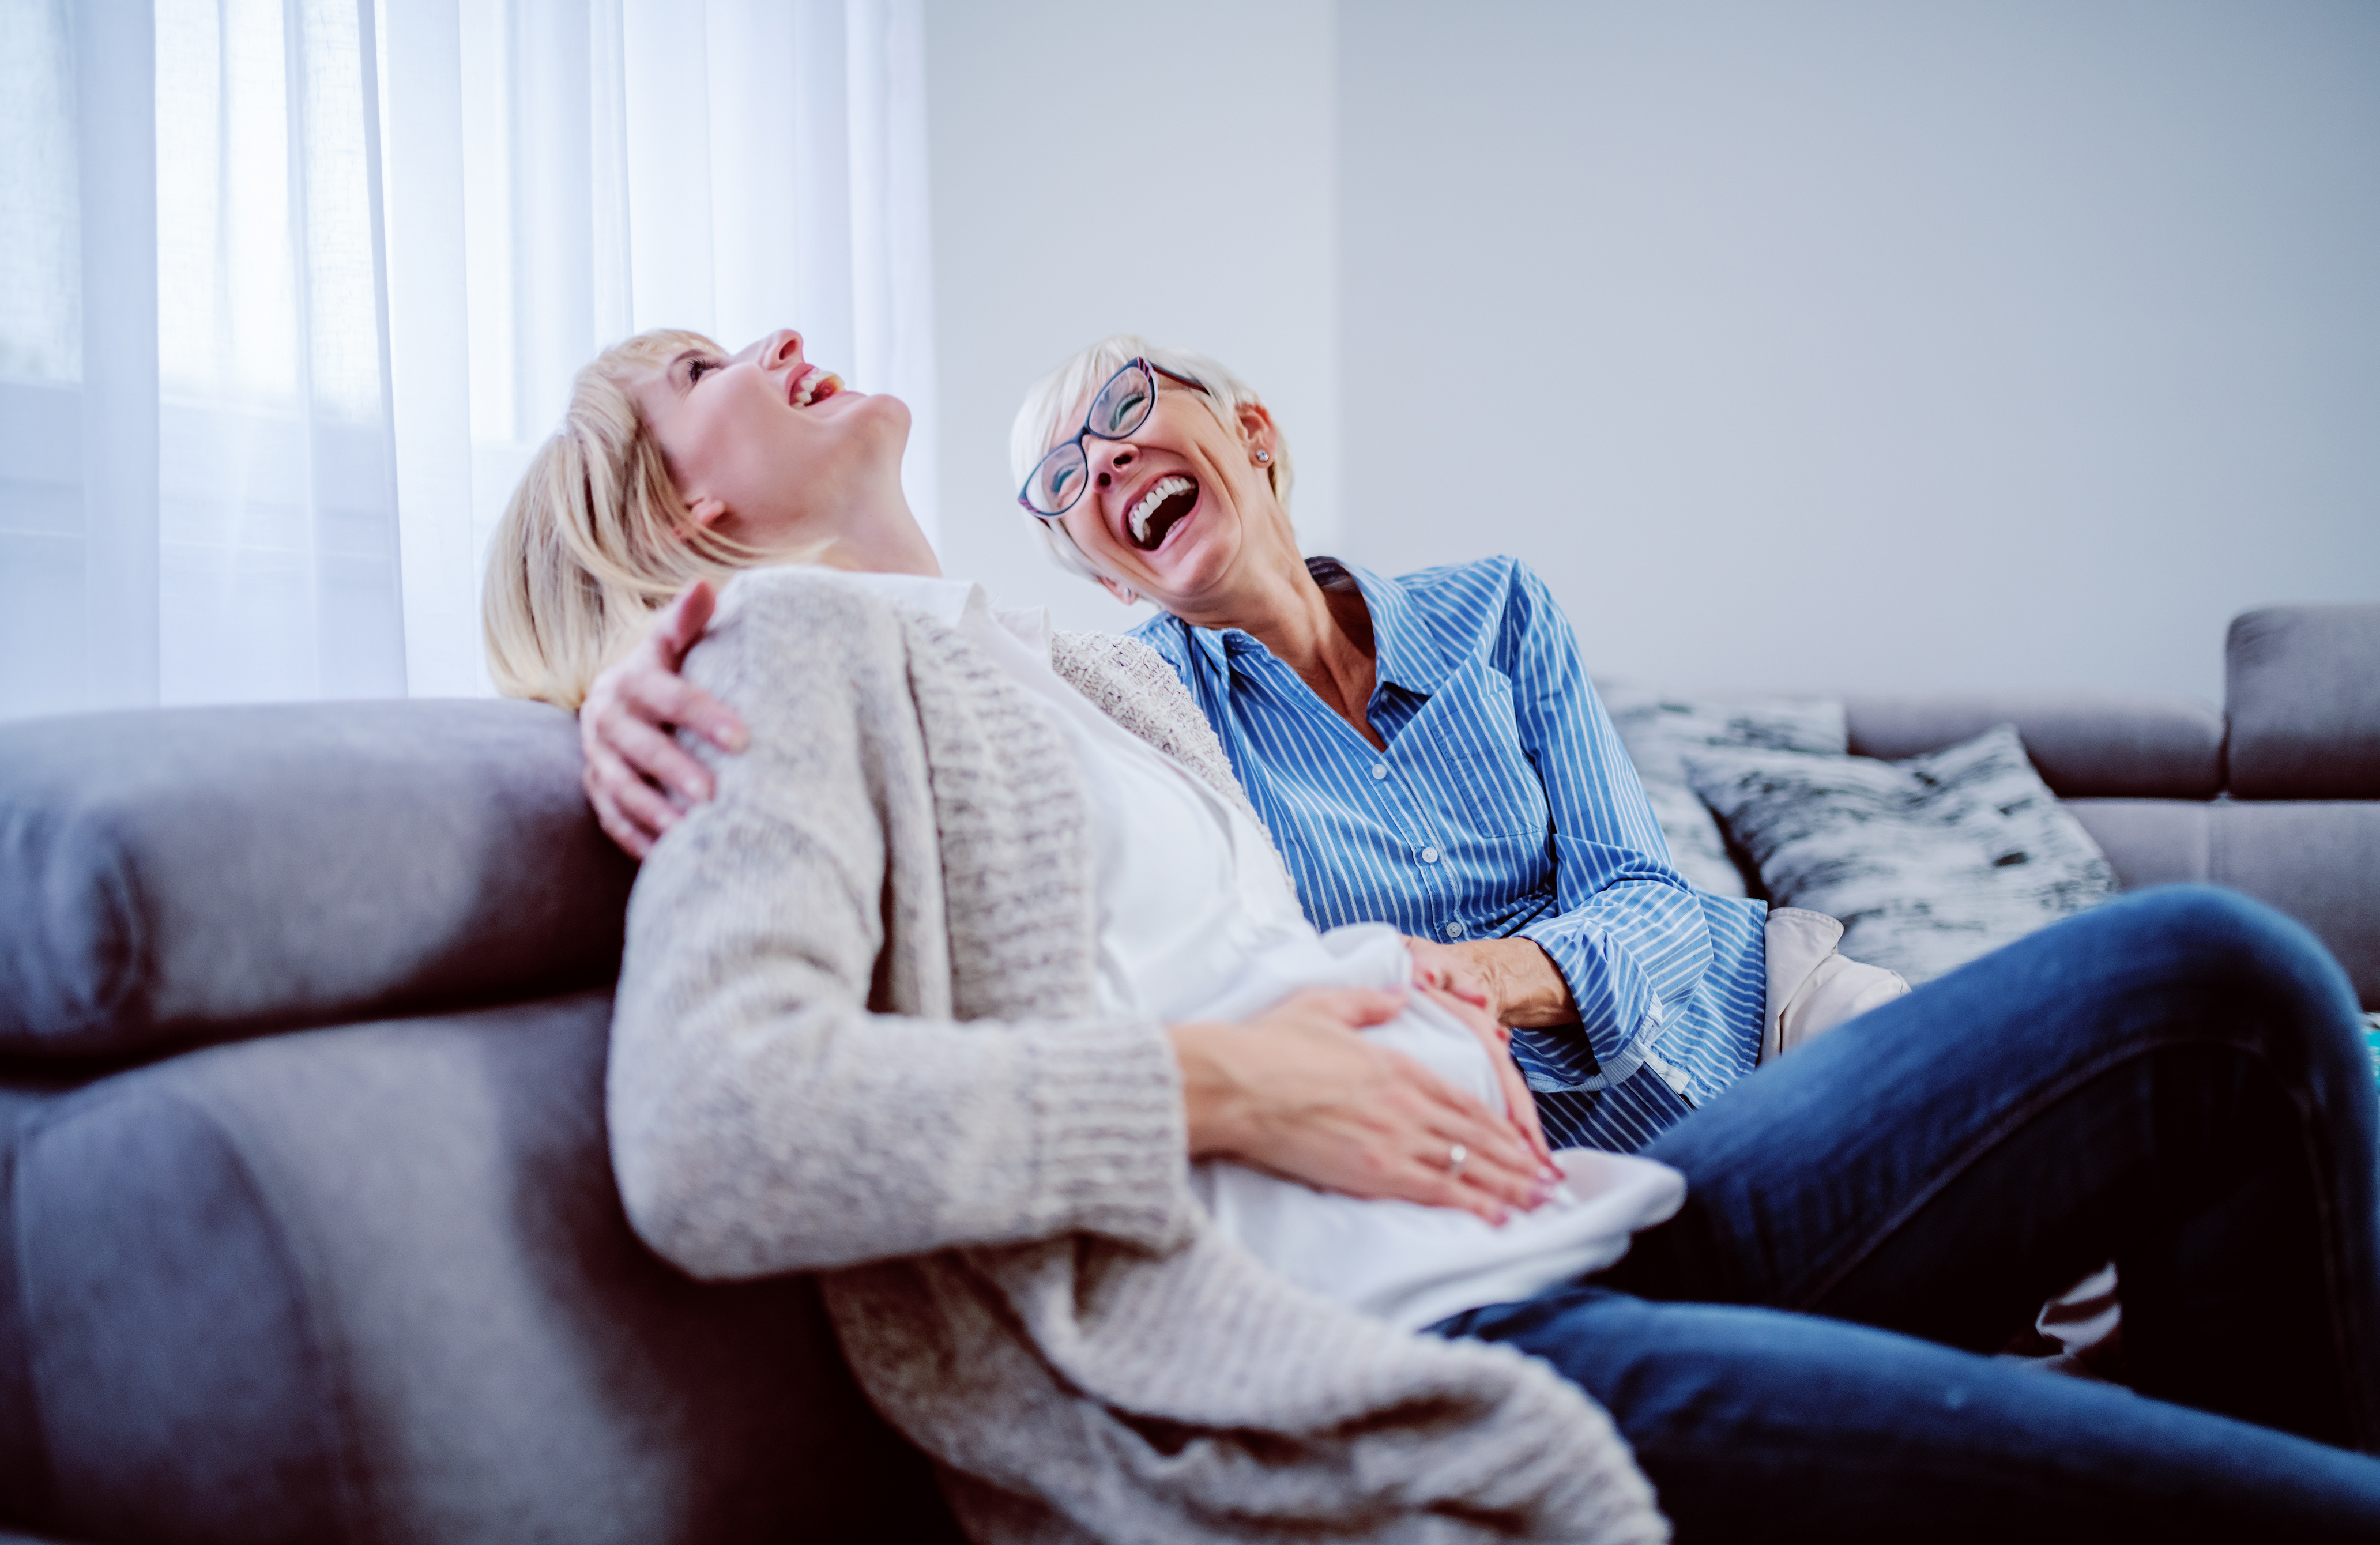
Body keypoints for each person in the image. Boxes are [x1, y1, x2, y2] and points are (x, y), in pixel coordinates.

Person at [488, 323, 2380, 1542]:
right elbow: (716, 1126)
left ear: (1248, 428)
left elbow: (1232, 941)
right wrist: (1233, 1085)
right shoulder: (775, 656)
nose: (779, 340)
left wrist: (1386, 987)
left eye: (1119, 419)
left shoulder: (1054, 673)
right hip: (1438, 1341)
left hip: (1593, 1206)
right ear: (683, 508)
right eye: (698, 368)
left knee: (2221, 981)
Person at [579, 337, 1907, 1155]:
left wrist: (1490, 975)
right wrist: (625, 665)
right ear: (1107, 582)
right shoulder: (1138, 702)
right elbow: (936, 674)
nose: (1101, 464)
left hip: (1768, 1012)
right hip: (1588, 1157)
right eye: (1062, 484)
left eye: (1124, 411)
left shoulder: (1495, 604)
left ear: (1252, 434)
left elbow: (1651, 901)